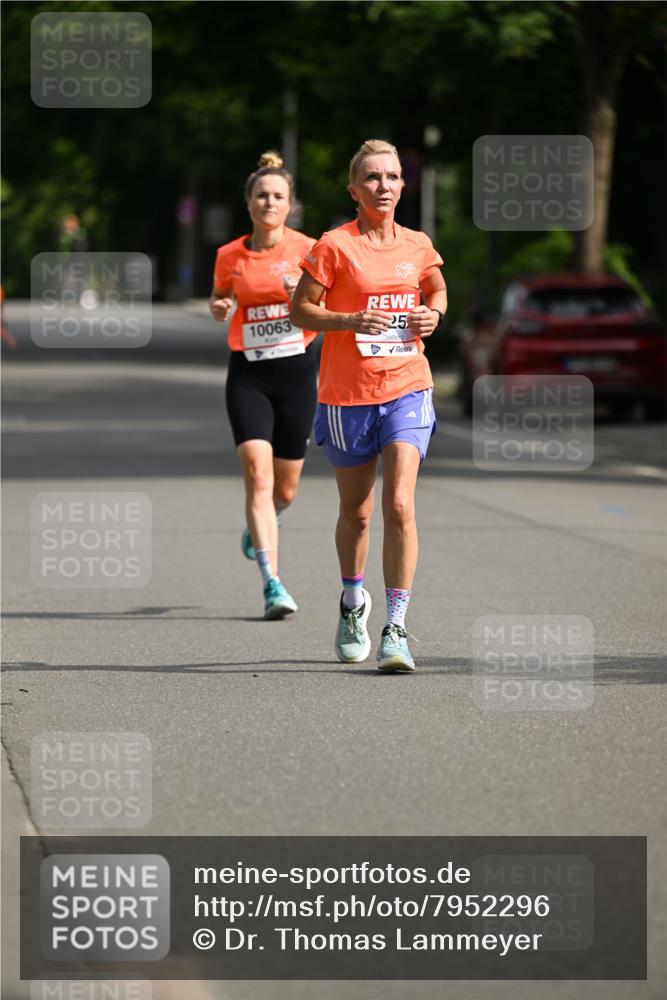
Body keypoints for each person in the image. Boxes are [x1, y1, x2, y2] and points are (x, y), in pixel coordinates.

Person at [290, 139, 446, 671]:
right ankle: (353, 601)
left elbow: (437, 291)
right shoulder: (334, 245)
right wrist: (350, 321)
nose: (384, 186)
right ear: (354, 190)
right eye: (373, 178)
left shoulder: (418, 244)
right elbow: (302, 311)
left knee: (400, 505)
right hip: (347, 396)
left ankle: (396, 628)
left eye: (393, 176)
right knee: (356, 513)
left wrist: (433, 315)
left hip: (407, 384)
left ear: (405, 185)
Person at [210, 152, 318, 620]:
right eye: (261, 195)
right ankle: (273, 583)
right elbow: (222, 295)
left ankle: (261, 526)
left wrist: (310, 298)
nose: (269, 202)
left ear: (290, 204)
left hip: (297, 374)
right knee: (258, 475)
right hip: (249, 374)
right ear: (248, 202)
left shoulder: (311, 250)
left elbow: (333, 301)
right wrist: (219, 306)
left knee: (285, 491)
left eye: (278, 196)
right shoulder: (229, 255)